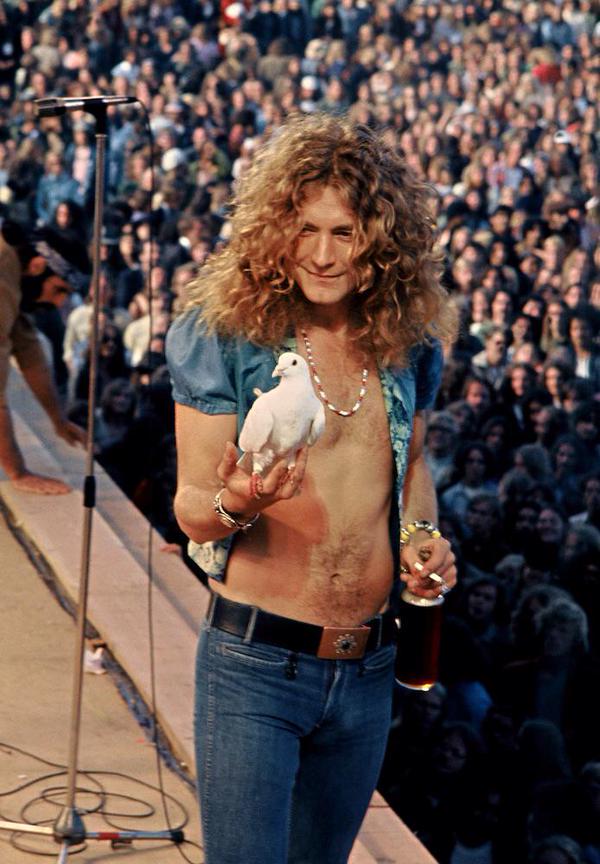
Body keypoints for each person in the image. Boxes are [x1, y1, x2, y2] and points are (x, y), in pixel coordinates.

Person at [165, 114, 457, 864]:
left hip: (369, 670)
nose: (322, 256)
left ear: (381, 241)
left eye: (346, 233)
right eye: (306, 230)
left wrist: (423, 539)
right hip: (254, 669)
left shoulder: (407, 337)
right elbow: (194, 510)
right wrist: (242, 503)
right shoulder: (224, 332)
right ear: (275, 230)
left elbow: (414, 466)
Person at [0, 221, 86, 494]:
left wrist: (58, 420)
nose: (59, 303)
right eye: (58, 290)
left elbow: (29, 353)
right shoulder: (3, 269)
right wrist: (18, 472)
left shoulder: (13, 271)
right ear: (37, 266)